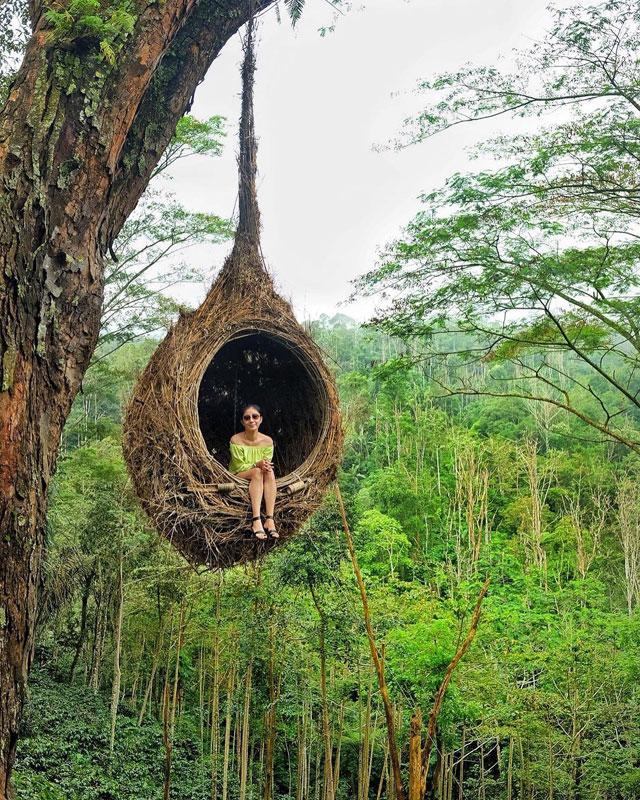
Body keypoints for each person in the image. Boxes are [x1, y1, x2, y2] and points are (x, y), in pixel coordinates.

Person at [229, 404, 279, 540]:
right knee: (257, 472)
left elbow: (266, 465)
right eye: (247, 418)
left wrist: (263, 466)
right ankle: (256, 521)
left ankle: (270, 519)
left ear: (261, 419)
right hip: (238, 474)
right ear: (242, 422)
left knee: (269, 472)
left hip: (259, 476)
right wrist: (256, 464)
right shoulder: (236, 440)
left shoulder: (267, 441)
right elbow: (239, 466)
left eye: (255, 416)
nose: (251, 420)